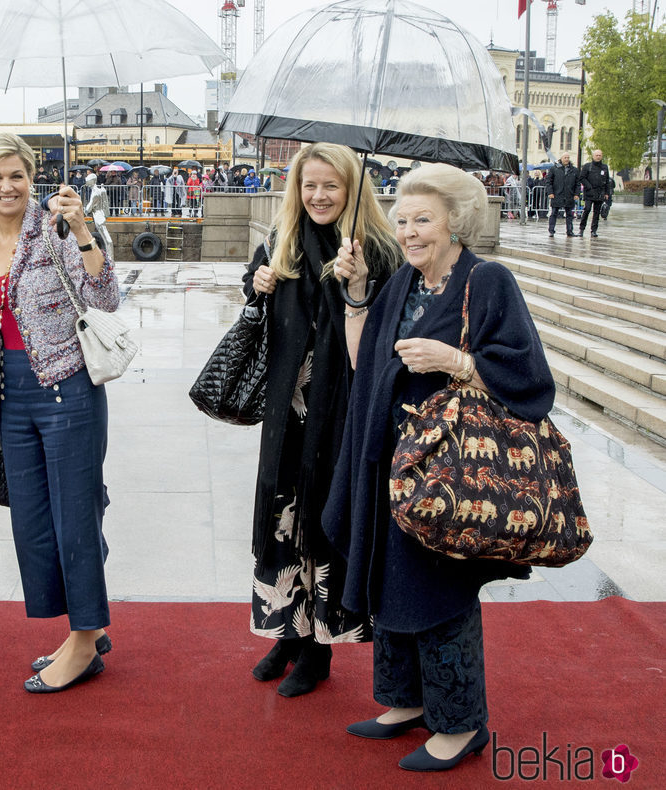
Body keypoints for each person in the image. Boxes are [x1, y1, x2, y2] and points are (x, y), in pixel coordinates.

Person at [328, 163, 554, 772]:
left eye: (422, 220)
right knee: (390, 580)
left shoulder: (489, 281)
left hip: (451, 470)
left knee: (438, 590)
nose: (408, 232)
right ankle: (405, 701)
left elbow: (531, 379)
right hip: (394, 460)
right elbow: (364, 363)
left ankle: (460, 724)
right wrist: (356, 297)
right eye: (402, 220)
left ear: (456, 222)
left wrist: (456, 360)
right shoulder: (401, 281)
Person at [243, 142, 402, 698]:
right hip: (288, 413)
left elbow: (386, 334)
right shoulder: (280, 242)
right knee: (282, 517)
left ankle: (318, 649)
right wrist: (258, 286)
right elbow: (258, 312)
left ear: (353, 188)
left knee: (321, 519)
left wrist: (358, 285)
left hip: (340, 412)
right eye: (309, 185)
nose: (318, 196)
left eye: (330, 185)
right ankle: (285, 632)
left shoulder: (379, 250)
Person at [0, 132, 119, 693]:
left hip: (68, 391)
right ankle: (82, 629)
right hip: (12, 397)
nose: (7, 187)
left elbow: (105, 297)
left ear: (32, 177)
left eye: (17, 175)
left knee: (74, 518)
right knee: (32, 522)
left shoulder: (58, 227)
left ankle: (86, 641)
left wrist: (81, 229)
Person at [545, 152, 580, 237]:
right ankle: (551, 231)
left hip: (569, 195)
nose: (567, 159)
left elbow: (577, 183)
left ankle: (569, 231)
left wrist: (576, 194)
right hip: (557, 194)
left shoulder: (574, 170)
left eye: (568, 157)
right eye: (565, 157)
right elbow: (549, 181)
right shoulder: (554, 169)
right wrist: (550, 192)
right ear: (561, 158)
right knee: (554, 213)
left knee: (569, 214)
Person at [578, 149, 610, 237]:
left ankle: (594, 230)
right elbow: (582, 178)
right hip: (589, 192)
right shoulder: (587, 166)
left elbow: (607, 181)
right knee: (587, 210)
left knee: (596, 212)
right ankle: (581, 229)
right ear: (593, 156)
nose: (598, 157)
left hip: (600, 193)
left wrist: (607, 193)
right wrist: (589, 187)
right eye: (597, 155)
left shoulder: (604, 167)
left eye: (600, 155)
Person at [84, 171, 113, 260]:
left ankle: (110, 259)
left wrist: (84, 210)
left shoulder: (95, 192)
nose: (86, 183)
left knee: (107, 239)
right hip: (99, 215)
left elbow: (90, 206)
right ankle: (110, 258)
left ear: (92, 181)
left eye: (88, 181)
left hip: (98, 215)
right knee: (106, 238)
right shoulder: (98, 190)